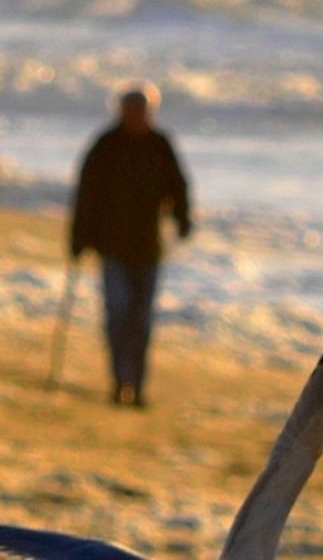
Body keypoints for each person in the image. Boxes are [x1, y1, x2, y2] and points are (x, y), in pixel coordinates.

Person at [67, 83, 192, 408]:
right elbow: (86, 195)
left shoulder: (160, 145)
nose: (137, 117)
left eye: (143, 111)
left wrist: (183, 218)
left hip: (149, 248)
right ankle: (119, 380)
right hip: (112, 247)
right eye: (132, 111)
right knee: (118, 315)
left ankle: (136, 386)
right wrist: (79, 238)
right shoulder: (105, 146)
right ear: (121, 112)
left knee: (142, 320)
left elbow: (178, 186)